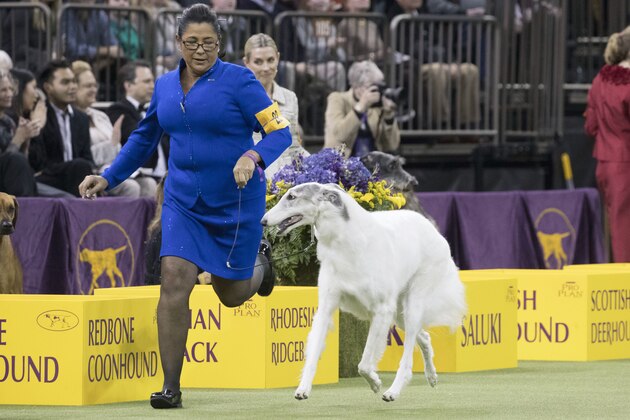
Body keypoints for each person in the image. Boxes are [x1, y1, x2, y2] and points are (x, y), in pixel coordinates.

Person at [78, 4, 291, 408]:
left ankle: (260, 269)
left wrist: (252, 156)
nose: (199, 50)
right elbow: (143, 138)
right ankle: (171, 387)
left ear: (219, 44)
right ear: (177, 42)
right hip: (182, 201)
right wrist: (108, 176)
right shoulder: (164, 86)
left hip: (235, 200)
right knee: (174, 278)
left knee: (230, 294)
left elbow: (279, 132)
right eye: (191, 42)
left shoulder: (241, 81)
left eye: (208, 43)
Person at [584, 26, 630, 263]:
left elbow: (590, 127)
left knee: (614, 224)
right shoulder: (627, 85)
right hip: (625, 162)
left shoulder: (599, 81)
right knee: (623, 227)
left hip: (605, 162)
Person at [72, 60, 150, 197]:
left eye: (95, 85)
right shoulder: (72, 118)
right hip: (92, 173)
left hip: (110, 168)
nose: (93, 90)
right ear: (74, 88)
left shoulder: (101, 116)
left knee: (149, 184)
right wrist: (111, 144)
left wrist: (115, 145)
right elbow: (81, 157)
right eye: (87, 86)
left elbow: (117, 149)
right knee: (131, 188)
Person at [243, 33, 308, 177]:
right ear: (246, 63)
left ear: (278, 58)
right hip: (254, 176)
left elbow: (295, 147)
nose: (266, 68)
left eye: (270, 60)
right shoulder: (239, 99)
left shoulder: (290, 97)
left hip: (287, 178)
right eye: (258, 62)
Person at [29, 60, 95, 197]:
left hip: (77, 176)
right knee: (79, 167)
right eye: (65, 82)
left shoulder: (81, 118)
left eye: (74, 81)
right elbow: (38, 162)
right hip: (49, 178)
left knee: (85, 169)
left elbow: (87, 157)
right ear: (48, 87)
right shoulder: (39, 114)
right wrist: (37, 125)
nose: (72, 87)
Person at [106, 60, 161, 196]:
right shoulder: (117, 110)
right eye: (146, 81)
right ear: (128, 85)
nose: (152, 86)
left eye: (153, 81)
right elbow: (140, 138)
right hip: (138, 172)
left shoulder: (154, 110)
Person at [324, 60, 400, 157]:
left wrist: (389, 116)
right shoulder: (337, 99)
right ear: (356, 87)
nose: (376, 91)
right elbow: (340, 134)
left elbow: (392, 146)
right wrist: (361, 106)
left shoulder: (377, 106)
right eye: (372, 86)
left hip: (371, 165)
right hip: (341, 164)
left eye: (379, 85)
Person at [0, 70, 40, 196]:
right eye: (3, 90)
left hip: (16, 183)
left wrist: (25, 141)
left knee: (65, 198)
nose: (9, 94)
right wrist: (18, 139)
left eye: (11, 89)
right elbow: (8, 164)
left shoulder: (9, 122)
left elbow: (21, 164)